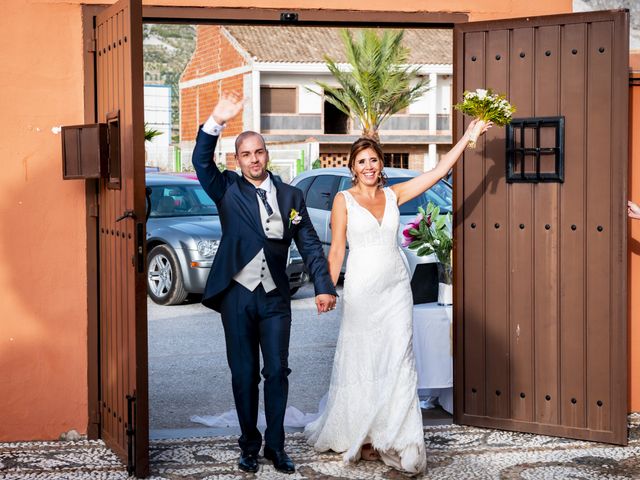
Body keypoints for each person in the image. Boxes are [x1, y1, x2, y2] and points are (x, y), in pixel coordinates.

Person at [304, 119, 491, 475]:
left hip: (395, 293)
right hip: (361, 292)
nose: (369, 167)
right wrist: (325, 290)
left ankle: (399, 436)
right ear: (352, 168)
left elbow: (437, 172)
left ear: (380, 163)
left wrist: (467, 137)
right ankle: (366, 435)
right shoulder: (343, 201)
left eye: (373, 160)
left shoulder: (395, 195)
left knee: (399, 361)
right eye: (362, 162)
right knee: (364, 361)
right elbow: (337, 251)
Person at [192, 92, 337, 474]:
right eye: (246, 154)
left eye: (259, 152)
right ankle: (248, 446)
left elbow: (307, 242)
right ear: (237, 159)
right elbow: (200, 162)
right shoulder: (226, 189)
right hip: (237, 296)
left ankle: (276, 446)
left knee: (277, 371)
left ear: (267, 155)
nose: (254, 159)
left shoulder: (291, 195)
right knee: (243, 374)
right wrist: (216, 122)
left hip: (275, 299)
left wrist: (323, 286)